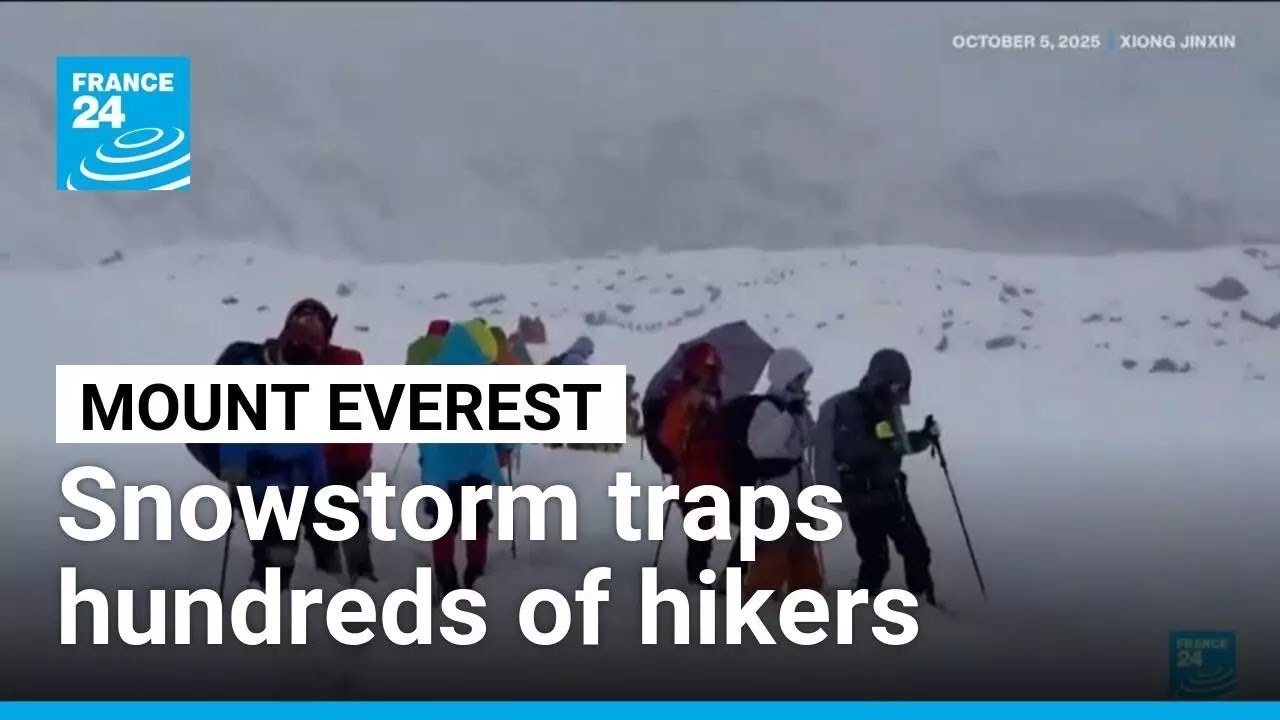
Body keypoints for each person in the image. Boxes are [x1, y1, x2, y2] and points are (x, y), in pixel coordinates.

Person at [217, 301, 341, 588]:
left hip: (292, 485)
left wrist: (319, 488)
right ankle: (265, 596)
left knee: (282, 551)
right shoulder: (253, 373)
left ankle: (271, 594)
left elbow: (311, 444)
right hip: (259, 484)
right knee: (275, 551)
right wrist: (234, 467)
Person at [830, 348, 941, 606]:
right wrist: (881, 443)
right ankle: (864, 606)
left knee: (917, 550)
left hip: (892, 493)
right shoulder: (849, 404)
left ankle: (924, 602)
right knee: (876, 560)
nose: (897, 390)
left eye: (901, 385)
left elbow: (898, 444)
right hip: (862, 496)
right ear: (880, 378)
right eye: (894, 383)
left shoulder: (890, 407)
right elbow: (846, 449)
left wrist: (924, 436)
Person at [287, 298, 379, 585]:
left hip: (313, 461)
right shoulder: (345, 363)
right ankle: (357, 576)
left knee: (323, 522)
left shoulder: (284, 362)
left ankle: (334, 577)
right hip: (333, 460)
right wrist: (358, 458)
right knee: (341, 516)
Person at [418, 324, 513, 592]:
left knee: (442, 521)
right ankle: (475, 574)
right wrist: (506, 448)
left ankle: (445, 576)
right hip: (476, 464)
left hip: (439, 466)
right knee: (477, 518)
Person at [741, 348, 824, 595]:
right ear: (784, 376)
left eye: (803, 378)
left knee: (802, 547)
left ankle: (806, 593)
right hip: (775, 491)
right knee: (773, 550)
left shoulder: (797, 408)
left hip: (799, 489)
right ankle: (761, 597)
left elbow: (806, 440)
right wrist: (789, 415)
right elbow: (762, 445)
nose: (802, 384)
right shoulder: (767, 408)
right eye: (798, 378)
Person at [658, 341, 729, 588]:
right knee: (700, 527)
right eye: (705, 370)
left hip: (714, 473)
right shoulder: (684, 398)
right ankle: (697, 573)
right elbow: (669, 436)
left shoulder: (716, 399)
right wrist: (689, 414)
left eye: (712, 371)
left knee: (705, 526)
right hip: (692, 474)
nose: (709, 376)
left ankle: (701, 571)